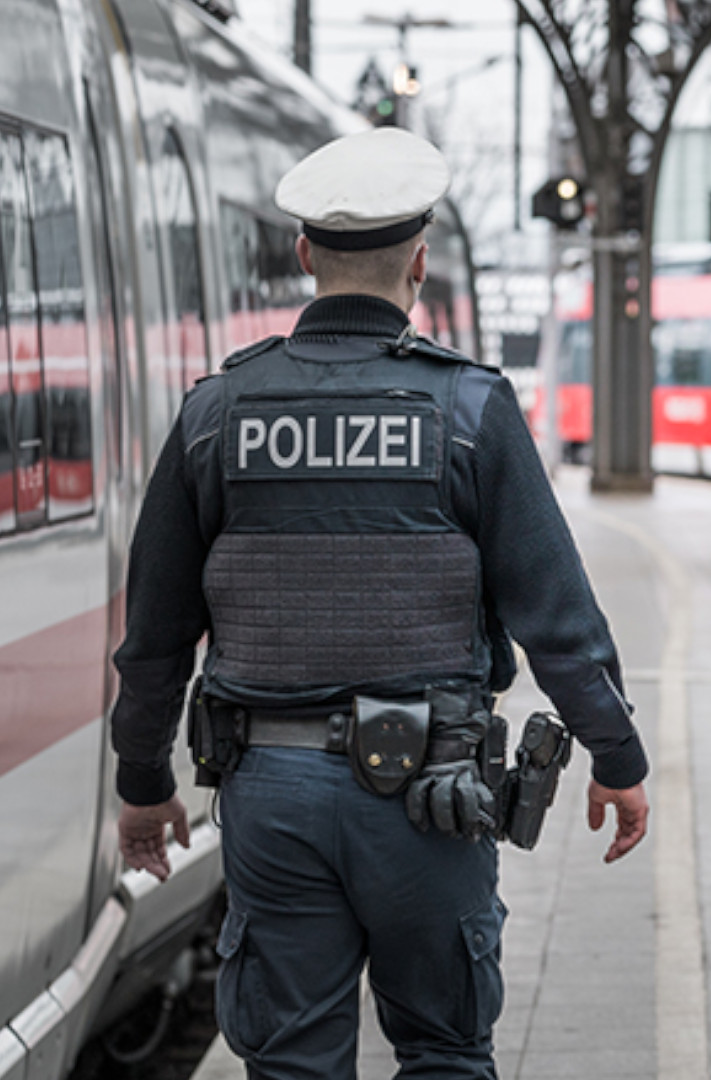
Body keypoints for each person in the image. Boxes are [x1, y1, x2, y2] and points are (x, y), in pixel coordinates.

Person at [110, 128, 651, 1078]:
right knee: (444, 1051)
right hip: (427, 798)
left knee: (290, 1061)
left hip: (267, 793)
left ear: (305, 255)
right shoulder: (469, 409)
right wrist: (616, 752)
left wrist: (143, 781)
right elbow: (555, 611)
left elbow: (155, 633)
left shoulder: (216, 413)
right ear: (421, 259)